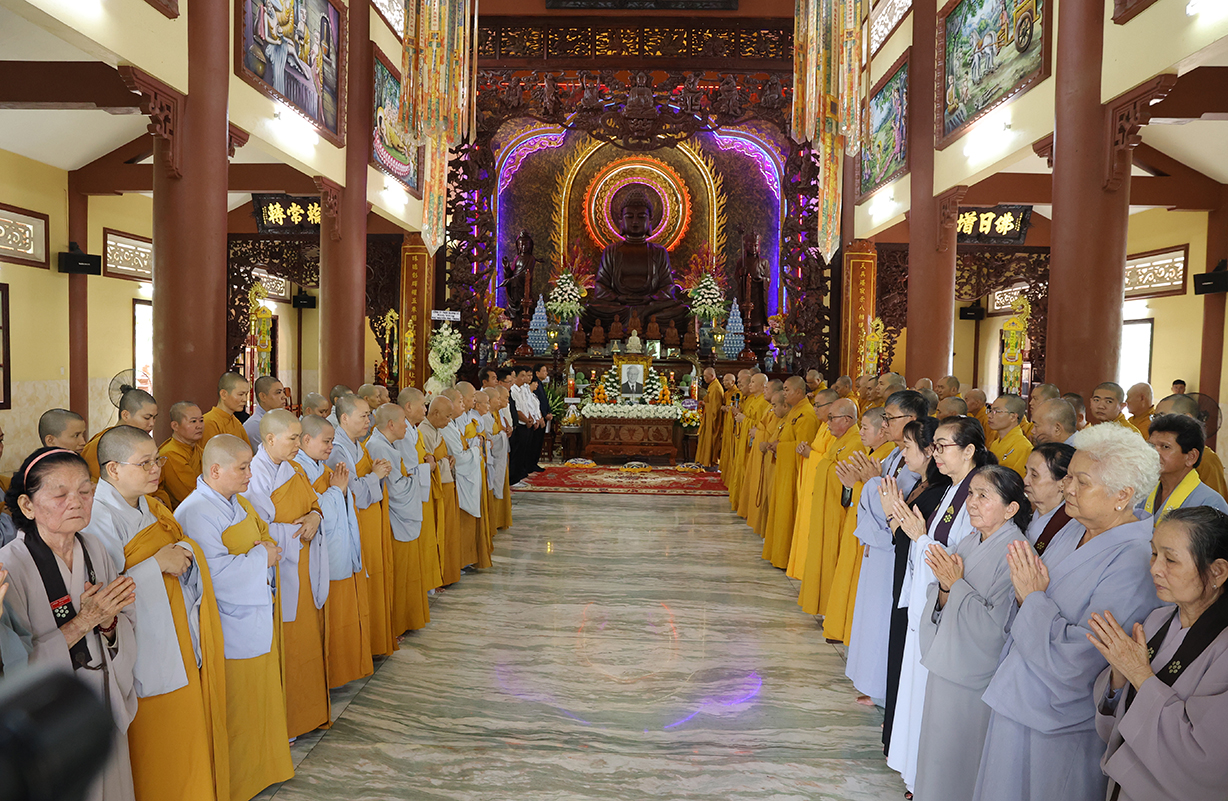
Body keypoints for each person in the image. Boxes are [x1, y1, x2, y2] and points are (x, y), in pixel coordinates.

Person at [973, 423, 1163, 801]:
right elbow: (1026, 589)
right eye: (1069, 477)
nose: (1067, 488)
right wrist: (1025, 597)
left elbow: (1085, 656)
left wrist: (1031, 600)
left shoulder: (1135, 558)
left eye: (1081, 481)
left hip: (1062, 721)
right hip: (1019, 693)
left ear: (1122, 495)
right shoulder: (1075, 528)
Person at [83, 426, 228, 801]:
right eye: (145, 462)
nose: (156, 469)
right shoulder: (98, 517)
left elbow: (177, 543)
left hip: (176, 626)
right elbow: (105, 593)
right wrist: (157, 564)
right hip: (141, 639)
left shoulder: (150, 504)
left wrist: (183, 551)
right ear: (113, 469)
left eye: (157, 460)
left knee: (185, 721)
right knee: (155, 731)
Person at [1, 448, 138, 801]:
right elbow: (14, 665)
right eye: (60, 494)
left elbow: (122, 623)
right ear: (27, 505)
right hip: (49, 722)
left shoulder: (94, 548)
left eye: (85, 491)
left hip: (101, 700)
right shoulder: (9, 567)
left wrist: (108, 624)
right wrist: (85, 621)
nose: (76, 502)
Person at [175, 435, 294, 800]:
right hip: (225, 621)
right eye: (242, 468)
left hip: (254, 608)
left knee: (261, 696)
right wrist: (262, 557)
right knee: (237, 704)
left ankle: (264, 768)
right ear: (215, 470)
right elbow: (213, 574)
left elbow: (263, 536)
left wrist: (265, 551)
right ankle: (238, 781)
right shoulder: (196, 512)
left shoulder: (239, 501)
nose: (249, 475)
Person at [886, 416, 995, 794]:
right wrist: (916, 535)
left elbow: (960, 561)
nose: (936, 453)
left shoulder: (976, 493)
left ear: (969, 451)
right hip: (929, 604)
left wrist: (920, 538)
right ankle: (918, 774)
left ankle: (927, 780)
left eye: (943, 446)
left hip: (950, 609)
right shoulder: (954, 488)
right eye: (934, 446)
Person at [1090, 506, 1228, 800]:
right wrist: (1119, 677)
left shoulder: (1223, 648)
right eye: (1154, 554)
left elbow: (1206, 761)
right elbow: (1112, 728)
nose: (1154, 568)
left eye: (1171, 559)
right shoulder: (1157, 621)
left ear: (1217, 571)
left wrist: (1140, 675)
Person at [913, 466, 1031, 801]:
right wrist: (945, 590)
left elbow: (997, 629)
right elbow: (943, 592)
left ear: (1011, 508)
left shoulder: (1017, 554)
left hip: (973, 677)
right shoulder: (969, 540)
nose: (972, 503)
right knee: (935, 756)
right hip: (946, 663)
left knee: (960, 764)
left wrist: (955, 585)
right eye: (971, 493)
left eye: (983, 496)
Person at [244, 409, 330, 739]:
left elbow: (314, 504)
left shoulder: (294, 468)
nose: (298, 444)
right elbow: (257, 530)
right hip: (279, 569)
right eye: (293, 438)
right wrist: (300, 528)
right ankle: (286, 723)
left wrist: (315, 518)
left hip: (305, 563)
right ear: (270, 439)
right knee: (286, 644)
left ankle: (307, 713)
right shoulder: (255, 474)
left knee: (306, 639)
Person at [846, 410, 936, 710]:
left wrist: (872, 484)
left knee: (889, 622)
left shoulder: (930, 483)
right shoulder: (893, 455)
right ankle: (878, 687)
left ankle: (887, 694)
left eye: (891, 418)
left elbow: (897, 510)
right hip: (883, 545)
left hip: (897, 553)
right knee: (875, 620)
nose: (885, 424)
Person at [296, 414, 373, 688]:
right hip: (316, 555)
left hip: (336, 551)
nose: (331, 447)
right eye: (326, 442)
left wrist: (340, 491)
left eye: (331, 442)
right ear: (306, 440)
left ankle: (340, 669)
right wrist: (336, 491)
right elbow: (309, 513)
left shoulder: (322, 468)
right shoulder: (298, 472)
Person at [326, 394, 398, 656]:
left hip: (370, 520)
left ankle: (375, 639)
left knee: (376, 576)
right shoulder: (337, 449)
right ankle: (364, 645)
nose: (369, 420)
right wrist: (375, 476)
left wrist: (376, 470)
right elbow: (350, 491)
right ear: (344, 418)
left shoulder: (357, 443)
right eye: (364, 415)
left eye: (369, 415)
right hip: (357, 522)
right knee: (365, 578)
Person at [823, 404, 897, 645]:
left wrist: (855, 484)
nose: (860, 432)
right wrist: (851, 484)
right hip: (857, 522)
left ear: (882, 431)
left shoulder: (885, 455)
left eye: (865, 428)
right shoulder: (872, 454)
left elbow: (879, 496)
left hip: (870, 530)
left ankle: (849, 628)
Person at [365, 403, 432, 636]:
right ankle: (395, 623)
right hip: (394, 520)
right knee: (399, 573)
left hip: (401, 517)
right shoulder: (377, 446)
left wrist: (411, 477)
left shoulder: (387, 443)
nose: (407, 425)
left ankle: (405, 619)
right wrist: (415, 478)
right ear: (391, 424)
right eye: (403, 420)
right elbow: (395, 490)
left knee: (408, 572)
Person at [762, 377, 819, 569]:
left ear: (799, 392)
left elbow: (803, 448)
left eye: (787, 390)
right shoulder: (794, 411)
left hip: (795, 473)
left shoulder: (807, 415)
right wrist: (777, 444)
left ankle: (787, 557)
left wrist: (781, 447)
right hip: (784, 470)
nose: (784, 393)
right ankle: (779, 554)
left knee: (787, 515)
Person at [1140, 414, 1228, 515]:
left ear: (1191, 457)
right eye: (1151, 445)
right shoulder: (1144, 491)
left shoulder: (1210, 503)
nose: (1154, 452)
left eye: (1165, 447)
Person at [1153, 393, 1228, 500]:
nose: (1156, 422)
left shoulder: (1207, 459)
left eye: (1162, 416)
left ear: (1187, 418)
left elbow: (1213, 504)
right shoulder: (1156, 450)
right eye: (1155, 417)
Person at [82, 387, 159, 482]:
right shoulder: (101, 444)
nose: (152, 423)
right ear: (125, 415)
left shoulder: (144, 443)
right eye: (147, 418)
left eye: (154, 418)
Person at [1023, 443, 1081, 554]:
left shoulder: (1071, 527)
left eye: (1034, 475)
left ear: (1063, 483)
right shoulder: (1028, 510)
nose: (1025, 481)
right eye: (1026, 472)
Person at [157, 401, 204, 510]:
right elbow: (191, 494)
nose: (199, 426)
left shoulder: (198, 450)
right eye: (193, 421)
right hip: (187, 511)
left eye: (201, 420)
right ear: (175, 425)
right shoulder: (170, 454)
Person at [988, 393, 1033, 477]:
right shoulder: (995, 443)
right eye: (990, 411)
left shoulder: (1023, 447)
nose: (989, 415)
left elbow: (1017, 481)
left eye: (996, 411)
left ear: (1013, 417)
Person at [202, 373, 252, 449]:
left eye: (246, 394)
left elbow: (247, 450)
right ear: (223, 394)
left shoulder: (236, 422)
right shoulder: (209, 422)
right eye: (240, 394)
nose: (245, 399)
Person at [243, 375, 287, 446]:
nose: (284, 397)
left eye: (283, 392)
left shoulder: (280, 419)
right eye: (278, 392)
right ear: (263, 396)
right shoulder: (255, 425)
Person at [695, 367, 724, 467]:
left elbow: (715, 408)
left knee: (711, 441)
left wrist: (705, 404)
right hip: (708, 418)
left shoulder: (716, 388)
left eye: (705, 376)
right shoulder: (712, 385)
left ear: (712, 376)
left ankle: (710, 462)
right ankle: (704, 461)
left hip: (713, 420)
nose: (704, 378)